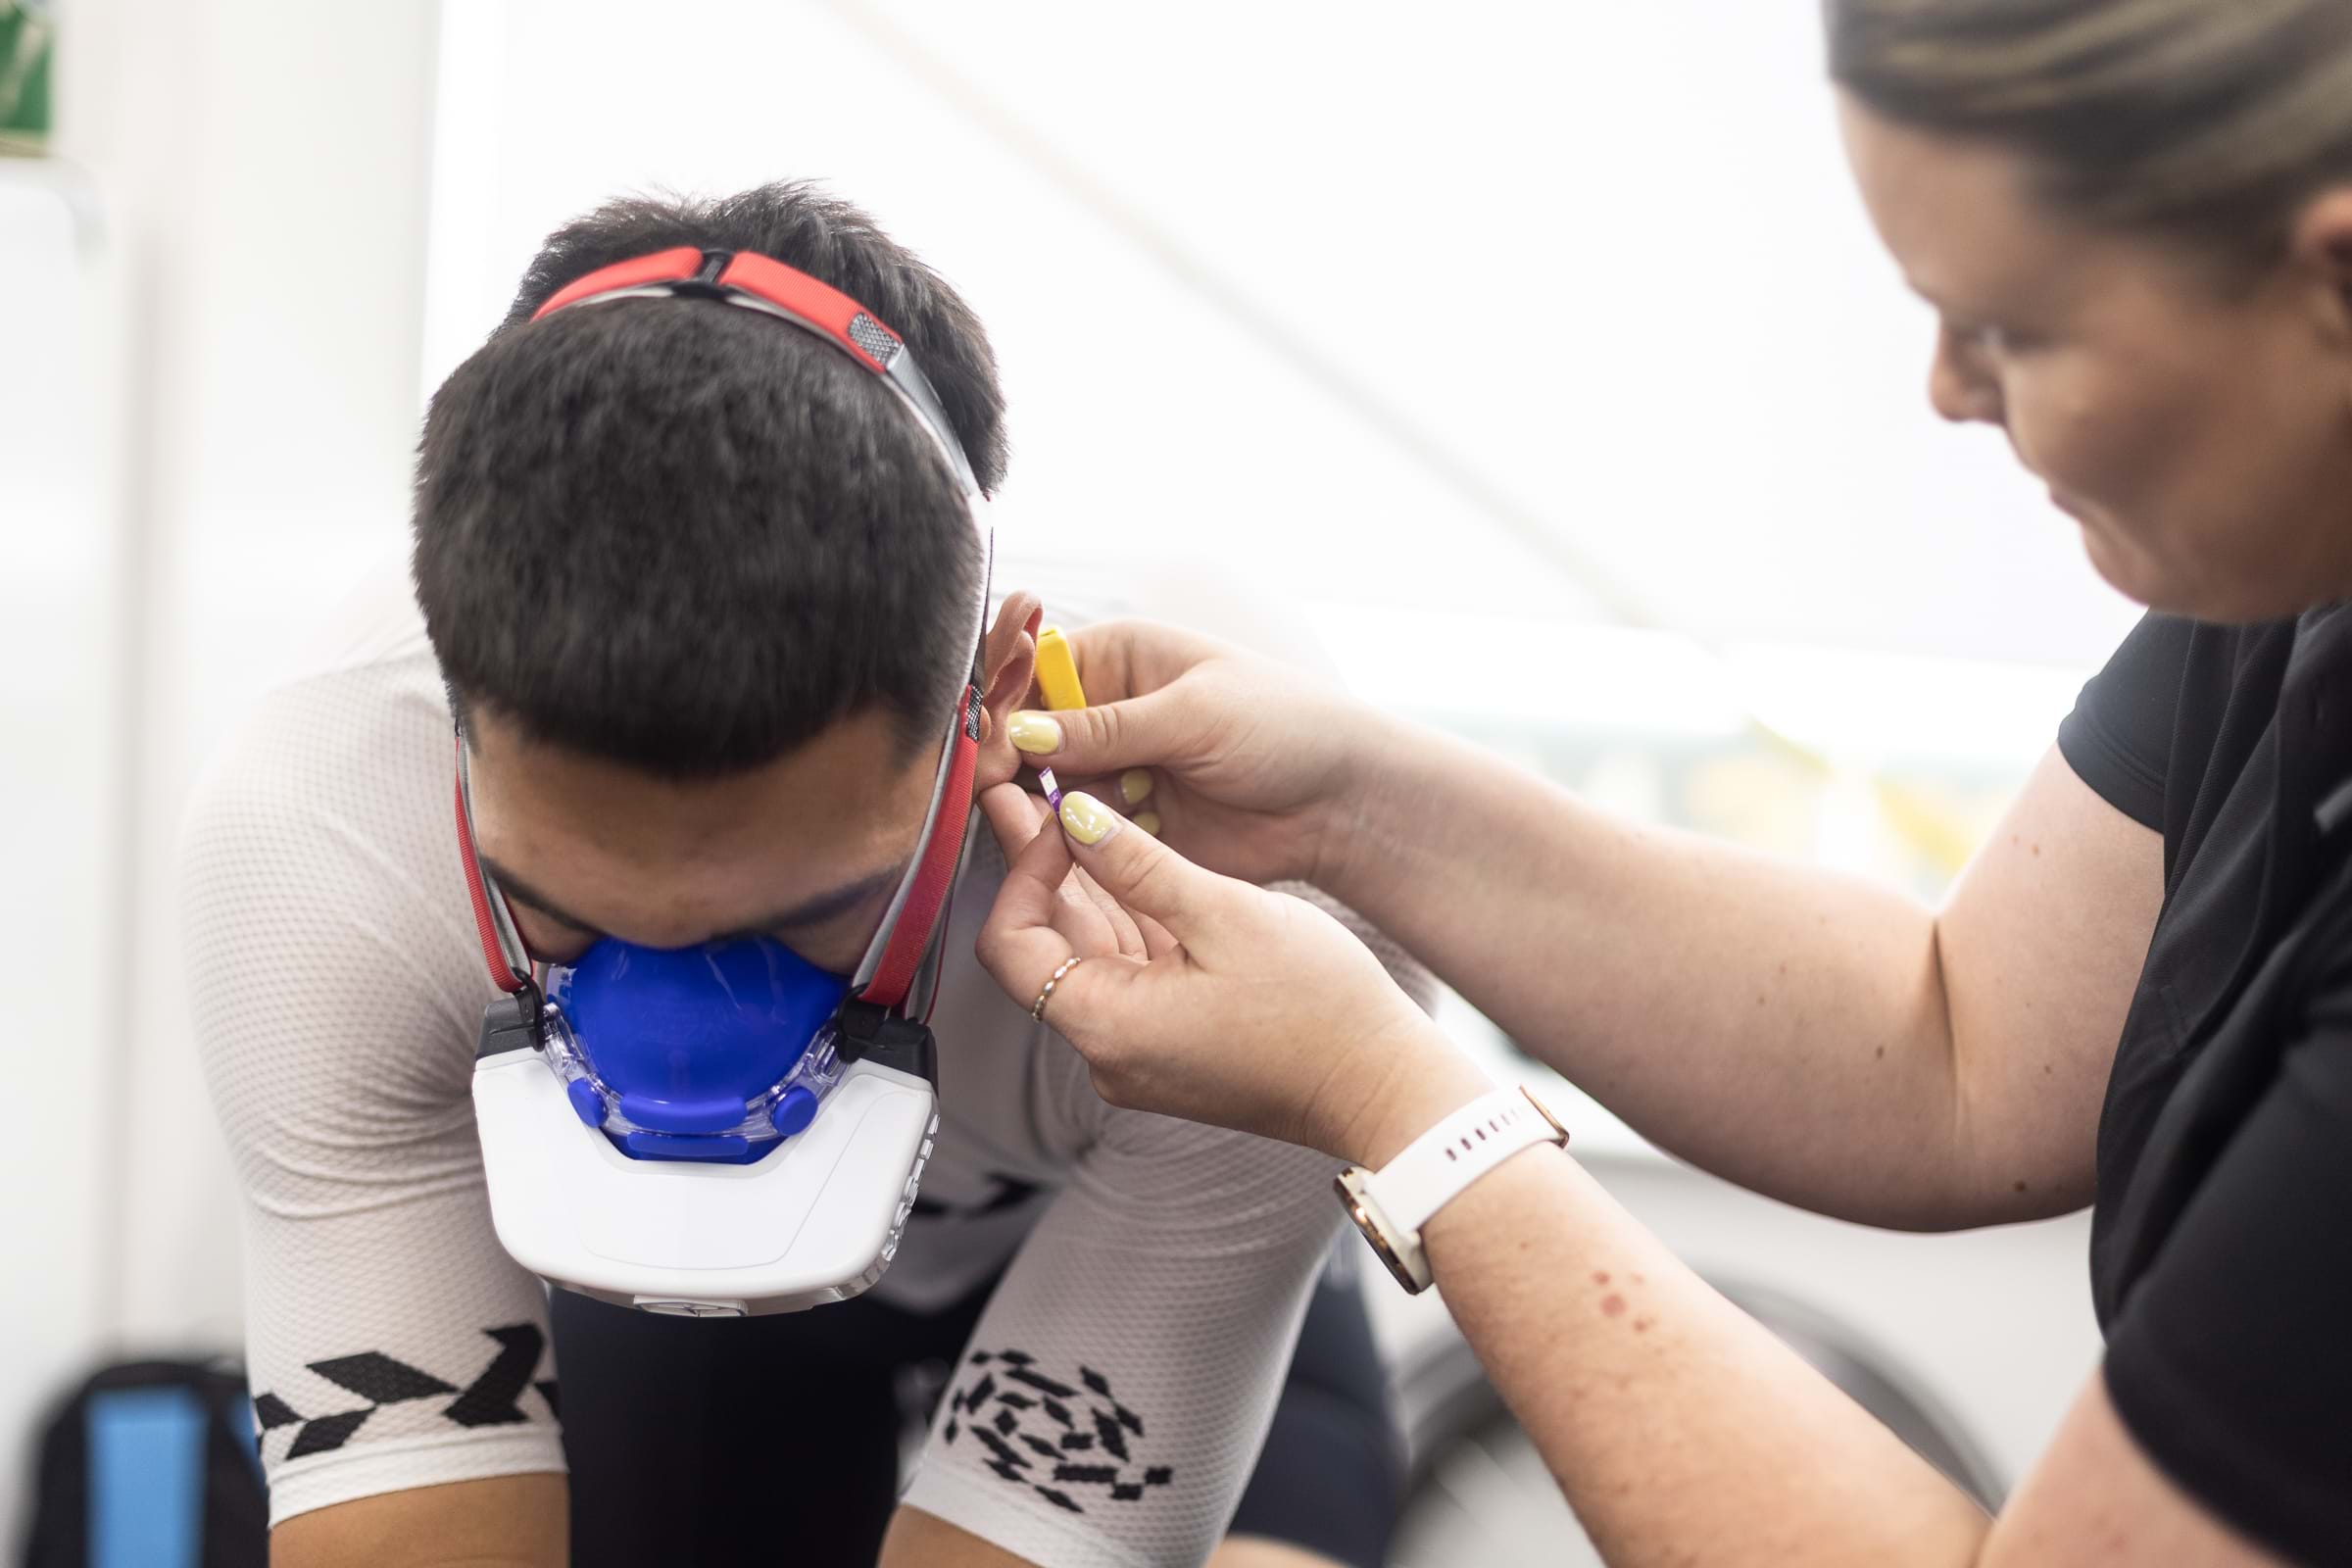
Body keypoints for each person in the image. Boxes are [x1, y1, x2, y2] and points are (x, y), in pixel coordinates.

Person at [971, 4, 2352, 1564]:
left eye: (2013, 330)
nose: (1948, 393)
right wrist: (1340, 806)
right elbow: (1957, 1046)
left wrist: (1396, 1099)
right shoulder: (2285, 571)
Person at [180, 181, 1428, 1568]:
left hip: (1112, 1204)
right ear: (451, 719)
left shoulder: (1243, 872)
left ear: (990, 699)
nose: (688, 1021)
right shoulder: (320, 840)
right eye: (566, 912)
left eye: (810, 912)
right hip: (685, 1261)